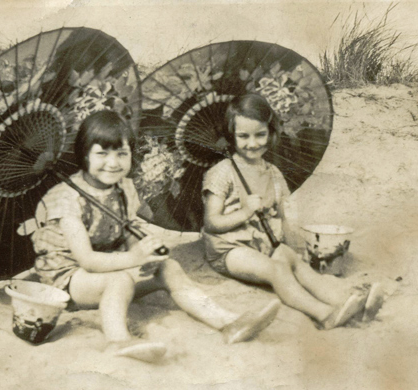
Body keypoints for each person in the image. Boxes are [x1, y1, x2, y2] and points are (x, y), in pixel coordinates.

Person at [24, 110, 281, 363]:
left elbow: (128, 226)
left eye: (121, 154)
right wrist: (133, 257)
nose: (113, 163)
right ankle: (117, 341)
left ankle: (228, 322)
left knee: (168, 267)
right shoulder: (66, 197)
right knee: (120, 281)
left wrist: (145, 249)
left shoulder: (123, 186)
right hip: (70, 278)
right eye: (102, 153)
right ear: (84, 155)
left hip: (109, 264)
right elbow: (87, 260)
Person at [201, 94, 384, 330]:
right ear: (231, 135)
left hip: (263, 243)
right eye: (243, 136)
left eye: (260, 135)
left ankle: (345, 302)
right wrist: (246, 211)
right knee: (276, 270)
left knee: (292, 260)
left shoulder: (274, 174)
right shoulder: (223, 172)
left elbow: (285, 219)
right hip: (229, 248)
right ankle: (324, 314)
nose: (253, 143)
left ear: (270, 132)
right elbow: (212, 223)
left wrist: (296, 251)